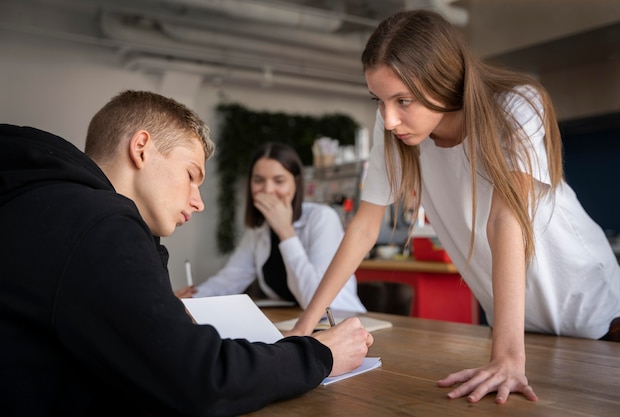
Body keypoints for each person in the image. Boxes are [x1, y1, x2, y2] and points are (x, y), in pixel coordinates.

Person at [286, 9, 620, 405]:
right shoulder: (394, 130)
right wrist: (303, 328)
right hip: (523, 326)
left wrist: (507, 357)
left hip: (597, 316)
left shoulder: (517, 105)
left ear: (444, 81)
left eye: (403, 100)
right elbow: (363, 228)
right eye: (378, 100)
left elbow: (505, 220)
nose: (390, 118)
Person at [0, 90, 373, 416]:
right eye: (191, 174)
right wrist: (317, 355)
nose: (198, 202)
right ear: (141, 147)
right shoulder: (98, 221)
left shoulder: (45, 201)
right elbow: (199, 379)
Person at [175, 142, 367, 313]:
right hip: (292, 323)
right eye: (258, 180)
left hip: (339, 319)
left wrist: (286, 232)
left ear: (296, 183)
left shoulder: (322, 218)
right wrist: (190, 301)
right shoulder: (259, 229)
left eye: (279, 180)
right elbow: (229, 280)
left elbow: (314, 299)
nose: (267, 189)